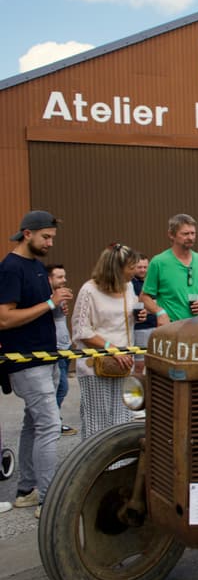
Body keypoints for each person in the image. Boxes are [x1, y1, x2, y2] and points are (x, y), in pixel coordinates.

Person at [0, 210, 73, 518]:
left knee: (34, 423)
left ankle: (28, 490)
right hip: (26, 362)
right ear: (27, 234)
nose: (50, 243)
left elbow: (43, 310)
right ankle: (49, 500)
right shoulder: (11, 268)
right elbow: (4, 317)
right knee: (49, 425)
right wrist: (49, 303)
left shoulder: (36, 267)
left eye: (52, 238)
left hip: (45, 358)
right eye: (46, 237)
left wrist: (57, 308)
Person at [72, 244, 146, 440]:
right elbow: (81, 329)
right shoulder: (89, 290)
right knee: (97, 421)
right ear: (116, 268)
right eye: (131, 267)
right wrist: (111, 349)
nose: (135, 271)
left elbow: (126, 316)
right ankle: (96, 468)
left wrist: (139, 316)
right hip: (96, 365)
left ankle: (119, 467)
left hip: (124, 363)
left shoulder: (129, 287)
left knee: (122, 418)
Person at [140, 214, 198, 325]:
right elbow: (144, 297)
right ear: (171, 235)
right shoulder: (159, 262)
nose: (191, 237)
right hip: (172, 328)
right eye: (185, 234)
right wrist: (160, 312)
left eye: (193, 233)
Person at [46, 264, 77, 436]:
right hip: (54, 349)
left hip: (65, 346)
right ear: (49, 279)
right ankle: (52, 422)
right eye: (59, 277)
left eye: (64, 276)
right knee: (60, 388)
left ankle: (53, 421)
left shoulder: (60, 296)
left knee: (60, 387)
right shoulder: (46, 297)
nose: (64, 280)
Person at [130, 253, 156, 377]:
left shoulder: (152, 282)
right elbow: (136, 304)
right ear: (133, 267)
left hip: (156, 327)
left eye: (145, 267)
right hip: (140, 329)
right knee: (139, 365)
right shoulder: (130, 285)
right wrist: (152, 305)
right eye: (140, 267)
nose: (143, 270)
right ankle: (136, 394)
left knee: (155, 363)